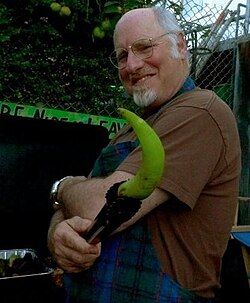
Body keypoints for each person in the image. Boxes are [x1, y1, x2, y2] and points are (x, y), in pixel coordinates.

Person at [47, 6, 241, 303]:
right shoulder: (130, 131)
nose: (133, 65)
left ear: (180, 45)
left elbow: (100, 206)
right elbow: (76, 205)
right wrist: (57, 233)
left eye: (144, 47)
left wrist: (62, 187)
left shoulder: (200, 112)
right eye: (122, 56)